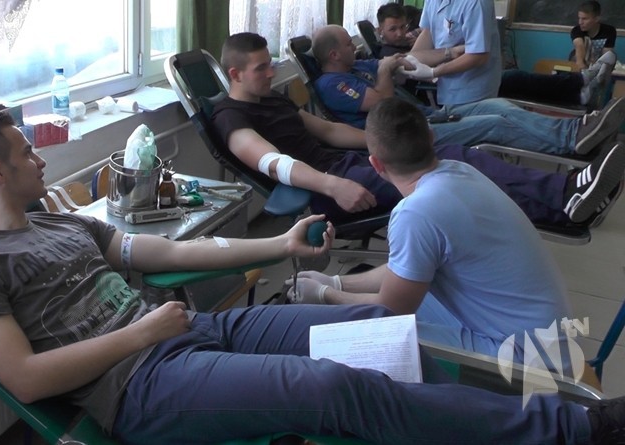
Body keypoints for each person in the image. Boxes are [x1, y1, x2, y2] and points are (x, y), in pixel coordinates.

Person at [0, 111, 625, 445]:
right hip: (138, 385)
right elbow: (24, 378)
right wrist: (141, 333)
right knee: (328, 386)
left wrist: (279, 247)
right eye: (27, 153)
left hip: (194, 331)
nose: (40, 161)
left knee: (374, 326)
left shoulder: (63, 225)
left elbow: (165, 254)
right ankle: (569, 430)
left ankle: (468, 423)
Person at [285, 97, 624, 360]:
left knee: (361, 333)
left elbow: (390, 310)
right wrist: (337, 281)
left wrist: (326, 296)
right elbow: (409, 268)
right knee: (406, 296)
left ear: (375, 164)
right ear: (431, 138)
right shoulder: (460, 171)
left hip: (523, 360)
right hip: (547, 338)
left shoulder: (415, 213)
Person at [213, 32, 624, 228]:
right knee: (453, 170)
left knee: (455, 161)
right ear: (235, 74)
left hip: (351, 163)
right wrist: (332, 185)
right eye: (261, 68)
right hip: (332, 188)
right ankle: (563, 196)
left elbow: (330, 131)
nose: (271, 73)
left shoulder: (274, 100)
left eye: (270, 65)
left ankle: (565, 197)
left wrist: (386, 143)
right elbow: (273, 163)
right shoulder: (231, 118)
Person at [312, 23, 625, 155]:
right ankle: (570, 141)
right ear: (334, 55)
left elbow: (407, 60)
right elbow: (383, 102)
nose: (354, 46)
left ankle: (575, 129)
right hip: (408, 134)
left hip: (428, 115)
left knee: (498, 106)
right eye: (348, 44)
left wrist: (450, 53)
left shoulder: (357, 66)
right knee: (495, 124)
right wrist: (384, 70)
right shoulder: (332, 84)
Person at [374, 2, 615, 107]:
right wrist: (442, 55)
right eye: (393, 29)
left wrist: (433, 66)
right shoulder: (389, 53)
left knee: (507, 111)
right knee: (518, 85)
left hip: (475, 86)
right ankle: (579, 88)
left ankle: (578, 97)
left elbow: (477, 56)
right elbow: (426, 37)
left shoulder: (475, 2)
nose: (400, 33)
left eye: (402, 27)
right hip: (446, 88)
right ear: (380, 31)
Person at [572, 0, 617, 70]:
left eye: (584, 19)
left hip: (598, 67)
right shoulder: (577, 30)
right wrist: (584, 70)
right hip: (580, 66)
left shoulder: (609, 31)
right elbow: (579, 46)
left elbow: (606, 56)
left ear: (596, 19)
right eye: (579, 18)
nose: (580, 22)